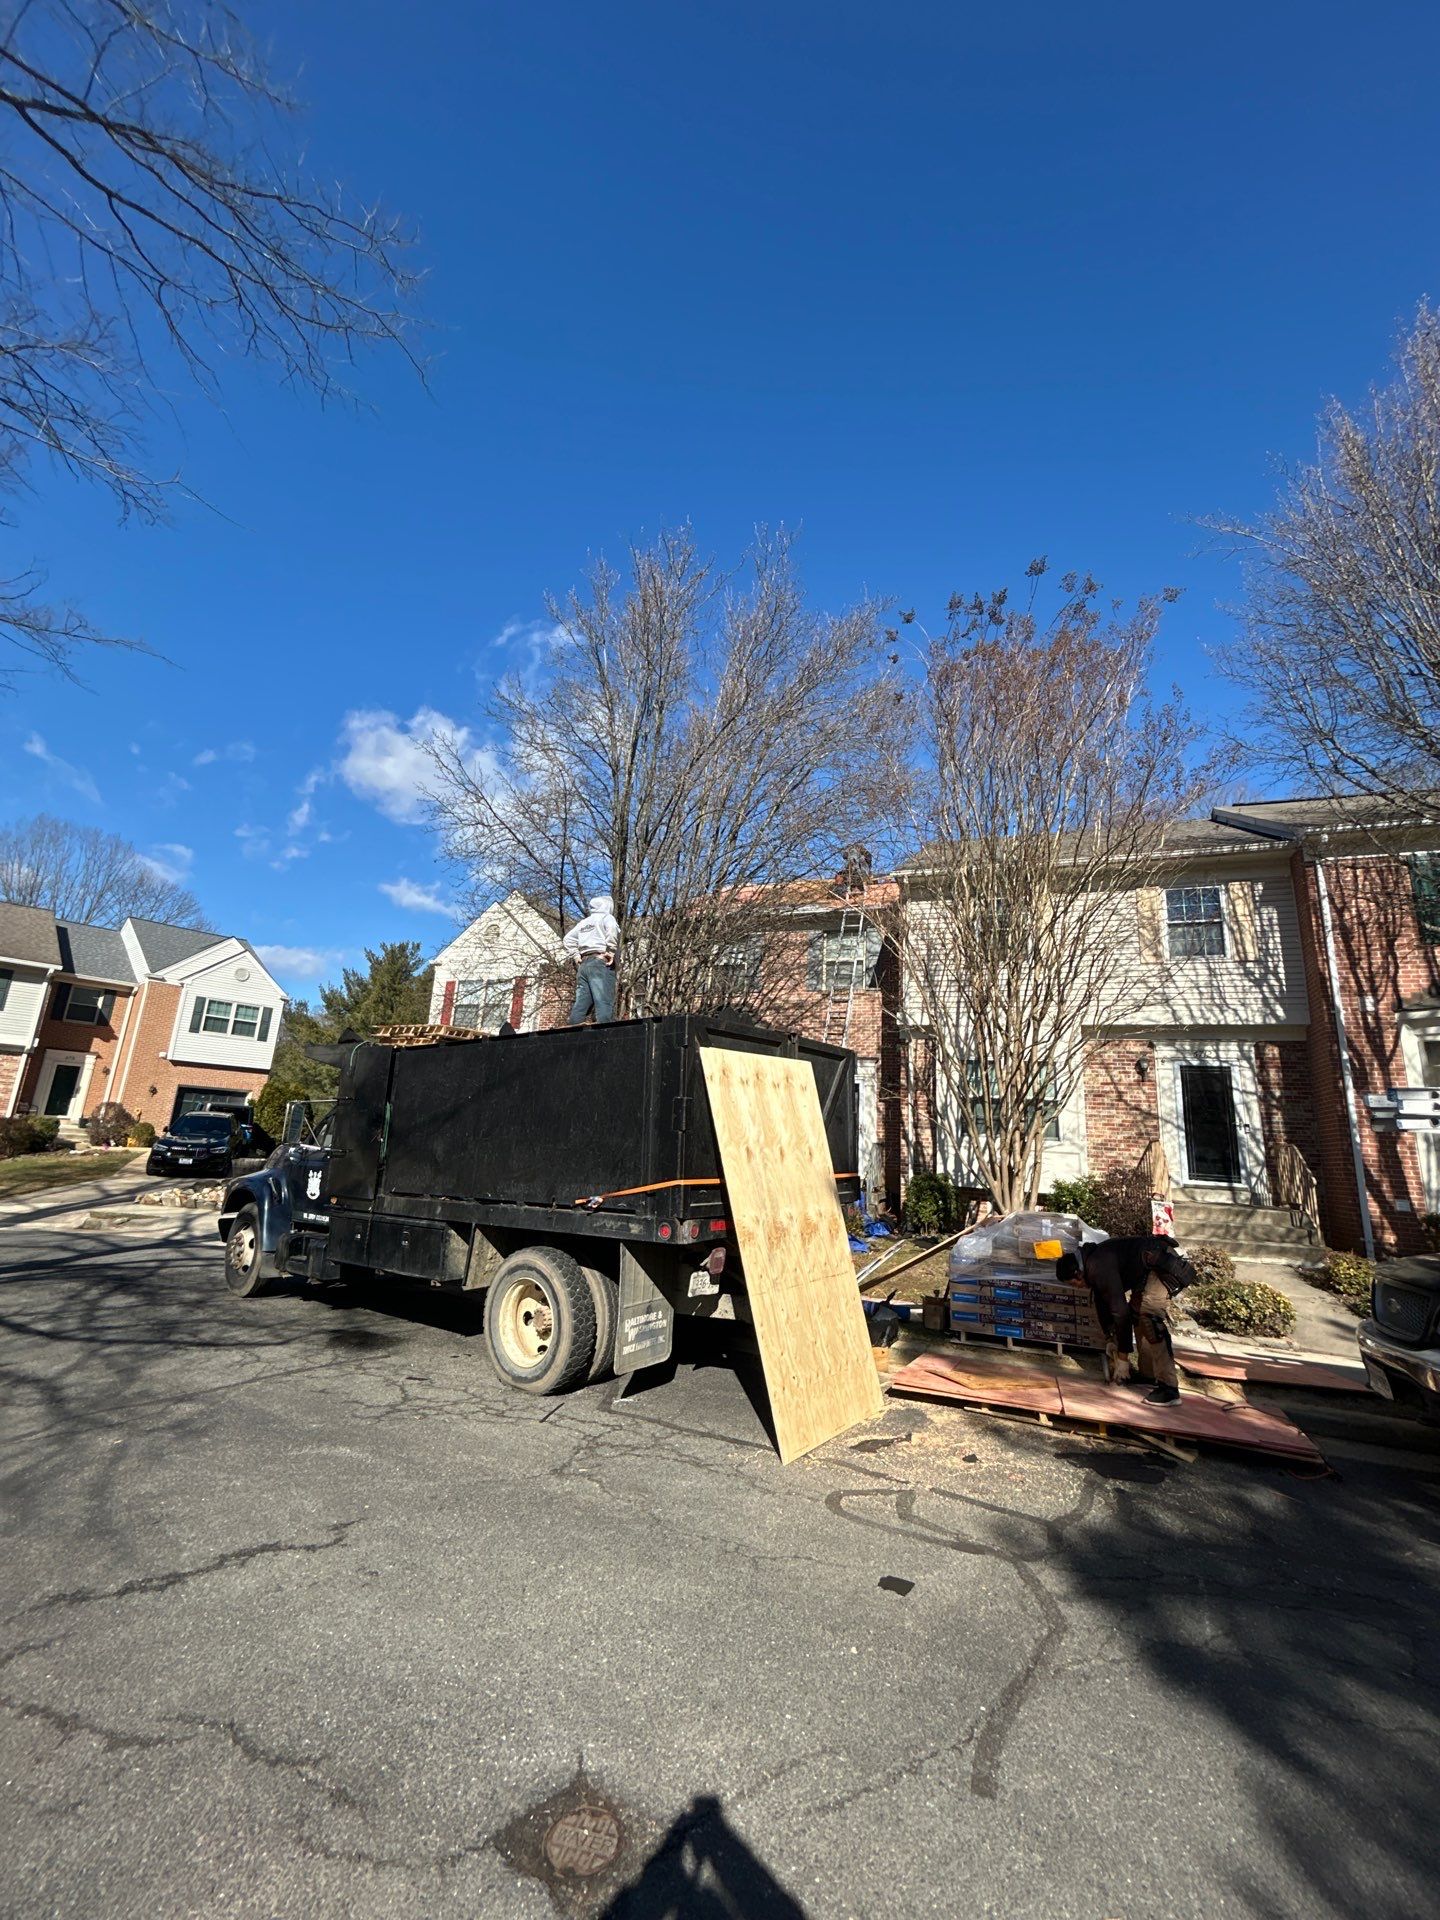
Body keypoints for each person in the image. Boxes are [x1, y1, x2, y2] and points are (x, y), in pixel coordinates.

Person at [1055, 1234, 1197, 1405]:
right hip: (1146, 1270)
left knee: (1150, 1318)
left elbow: (1120, 1313)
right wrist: (1110, 1338)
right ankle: (1148, 1375)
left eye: (1073, 1284)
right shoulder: (1091, 1264)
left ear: (1078, 1273)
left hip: (1160, 1264)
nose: (1077, 1287)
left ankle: (1170, 1389)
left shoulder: (1098, 1266)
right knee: (1137, 1315)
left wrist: (1123, 1358)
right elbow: (1102, 1303)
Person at [563, 893, 620, 1026]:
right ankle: (605, 1032)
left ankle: (572, 1031)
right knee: (603, 1001)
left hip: (584, 965)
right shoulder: (607, 917)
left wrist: (576, 956)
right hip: (600, 963)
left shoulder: (584, 923)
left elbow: (568, 939)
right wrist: (611, 952)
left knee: (581, 1004)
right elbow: (612, 930)